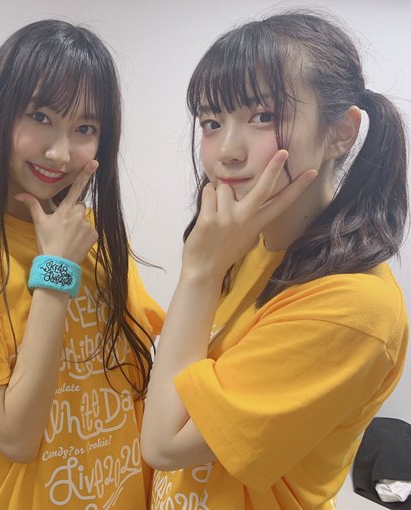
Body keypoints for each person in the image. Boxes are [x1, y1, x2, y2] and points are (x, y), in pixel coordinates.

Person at [141, 10, 409, 509]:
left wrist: (200, 271)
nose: (227, 151)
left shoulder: (353, 307)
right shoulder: (246, 245)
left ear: (341, 132)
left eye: (263, 116)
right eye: (211, 123)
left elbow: (163, 444)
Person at [0, 20, 164, 509]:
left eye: (85, 128)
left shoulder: (93, 237)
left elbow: (139, 393)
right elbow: (15, 436)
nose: (60, 152)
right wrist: (55, 271)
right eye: (41, 116)